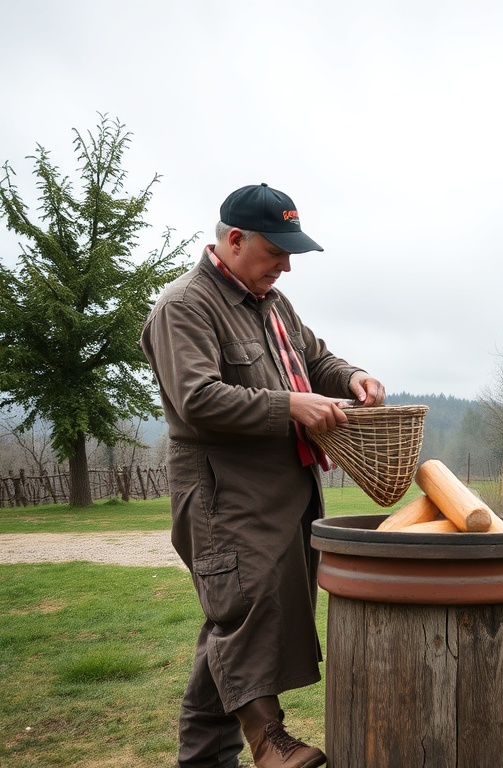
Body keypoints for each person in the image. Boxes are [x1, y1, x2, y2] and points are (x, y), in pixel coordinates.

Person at [141, 183, 385, 768]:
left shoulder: (272, 304)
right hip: (223, 495)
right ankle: (269, 743)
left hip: (282, 491)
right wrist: (290, 406)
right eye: (276, 251)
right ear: (234, 240)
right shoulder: (185, 305)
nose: (286, 265)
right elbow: (197, 398)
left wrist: (351, 376)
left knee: (234, 623)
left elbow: (315, 359)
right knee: (243, 614)